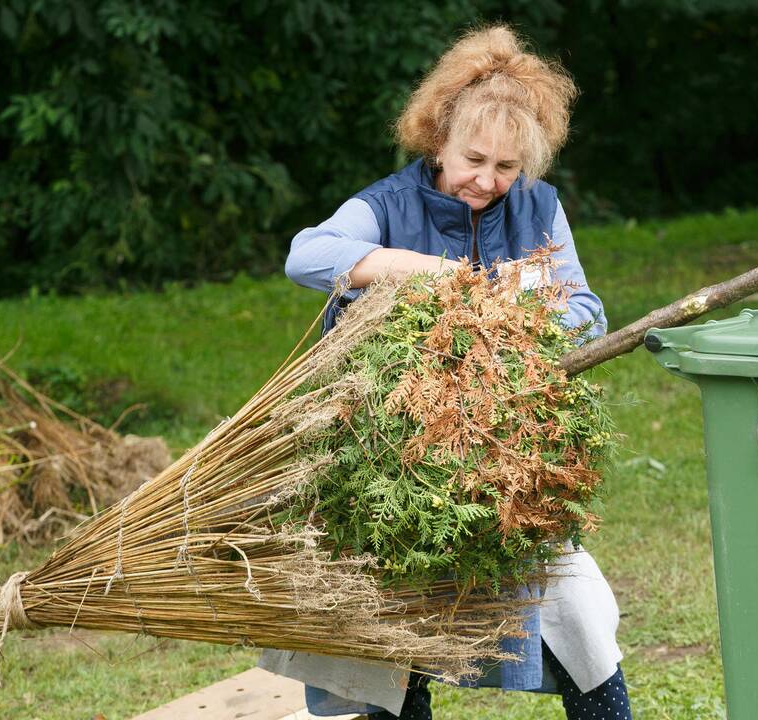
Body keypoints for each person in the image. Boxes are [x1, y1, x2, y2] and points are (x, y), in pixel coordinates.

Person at [260, 25, 632, 720]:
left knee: (577, 617)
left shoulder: (537, 207)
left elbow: (586, 311)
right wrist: (434, 274)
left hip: (505, 456)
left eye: (505, 168)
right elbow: (306, 255)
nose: (486, 182)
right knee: (392, 643)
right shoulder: (387, 205)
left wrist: (512, 308)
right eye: (473, 159)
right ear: (437, 138)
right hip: (391, 457)